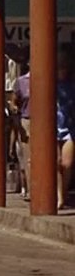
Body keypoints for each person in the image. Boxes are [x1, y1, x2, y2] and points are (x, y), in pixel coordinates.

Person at [57, 59, 75, 210]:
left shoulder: (71, 86)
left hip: (68, 127)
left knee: (67, 164)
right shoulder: (48, 83)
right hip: (52, 127)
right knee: (56, 162)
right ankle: (59, 196)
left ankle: (64, 190)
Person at [14, 66, 31, 197]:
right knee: (29, 158)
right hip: (27, 120)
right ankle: (32, 190)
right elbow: (14, 101)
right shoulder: (21, 81)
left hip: (51, 119)